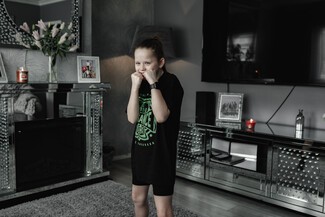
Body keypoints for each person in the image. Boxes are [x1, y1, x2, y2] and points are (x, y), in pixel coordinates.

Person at [127, 37, 183, 217]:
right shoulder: (138, 83)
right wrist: (135, 89)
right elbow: (132, 118)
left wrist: (153, 84)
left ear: (160, 62)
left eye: (147, 62)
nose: (141, 68)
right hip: (141, 151)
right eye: (137, 63)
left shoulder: (171, 83)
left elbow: (161, 117)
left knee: (163, 210)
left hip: (162, 154)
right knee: (137, 198)